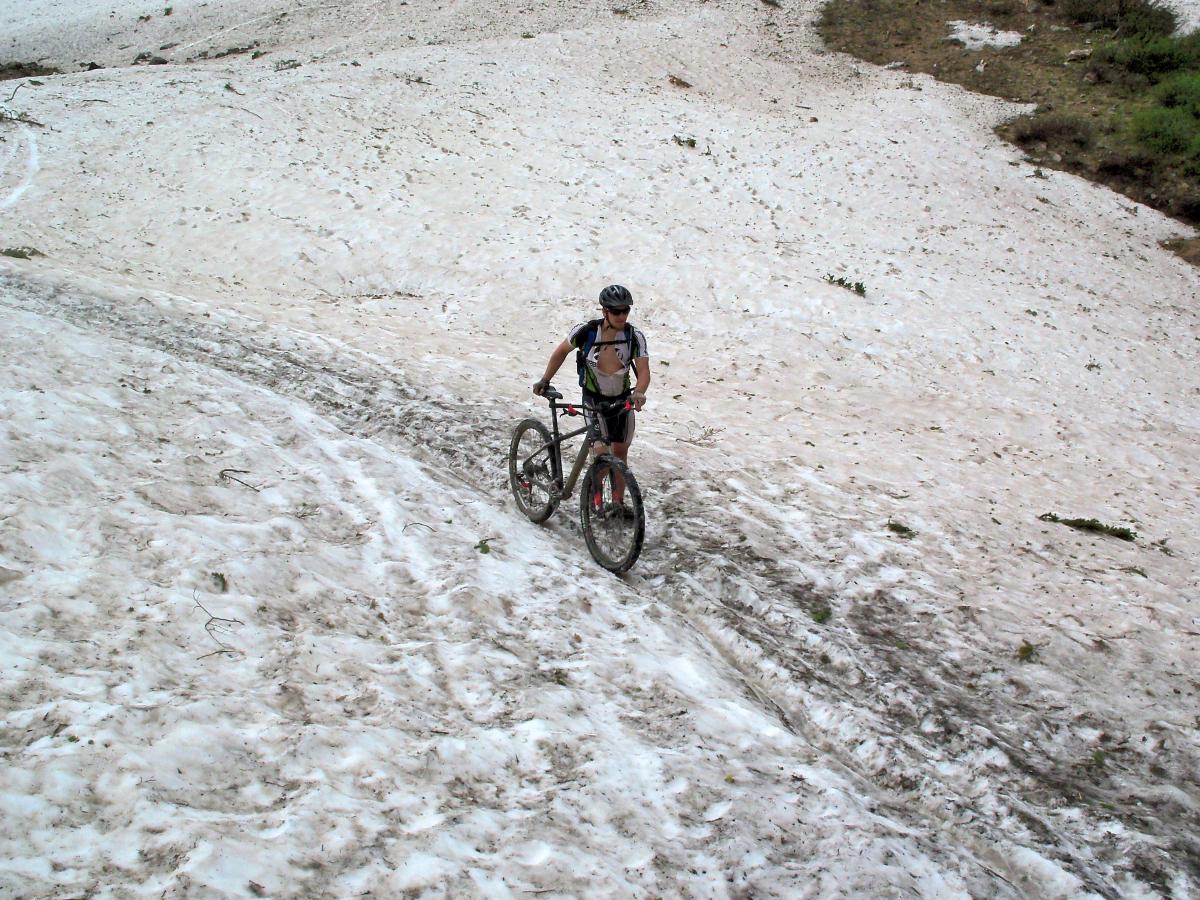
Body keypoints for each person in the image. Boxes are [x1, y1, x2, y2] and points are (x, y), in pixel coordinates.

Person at [533, 284, 651, 508]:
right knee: (601, 455)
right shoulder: (586, 331)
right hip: (593, 399)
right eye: (615, 311)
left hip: (621, 399)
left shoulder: (634, 336)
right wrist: (545, 380)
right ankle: (595, 504)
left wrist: (639, 393)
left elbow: (644, 371)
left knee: (620, 453)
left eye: (625, 310)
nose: (621, 316)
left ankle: (617, 503)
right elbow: (560, 353)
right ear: (604, 311)